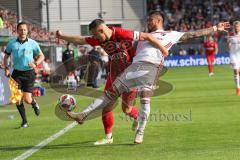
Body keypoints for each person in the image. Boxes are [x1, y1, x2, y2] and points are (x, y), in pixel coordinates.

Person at [66, 11, 229, 144]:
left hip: (152, 67)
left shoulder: (171, 34)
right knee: (109, 95)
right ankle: (83, 115)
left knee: (145, 100)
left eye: (150, 20)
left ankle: (140, 132)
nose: (148, 22)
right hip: (134, 67)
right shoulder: (143, 36)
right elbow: (124, 44)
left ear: (158, 20)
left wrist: (215, 28)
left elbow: (194, 34)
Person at [56, 18, 166, 145]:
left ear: (101, 30)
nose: (95, 37)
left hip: (131, 76)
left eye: (96, 34)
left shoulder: (121, 33)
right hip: (113, 75)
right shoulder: (98, 38)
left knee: (127, 110)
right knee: (106, 107)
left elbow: (146, 36)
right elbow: (80, 39)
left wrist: (162, 49)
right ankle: (108, 137)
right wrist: (62, 35)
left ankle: (136, 117)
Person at [3, 22, 45, 128]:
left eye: (24, 29)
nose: (23, 31)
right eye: (20, 29)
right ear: (17, 31)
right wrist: (7, 68)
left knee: (27, 99)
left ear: (27, 31)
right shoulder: (11, 43)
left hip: (29, 73)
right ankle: (24, 121)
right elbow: (6, 57)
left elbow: (41, 56)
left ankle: (33, 103)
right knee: (17, 99)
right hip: (16, 73)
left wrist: (35, 63)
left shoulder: (33, 43)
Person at [227, 21, 240, 96]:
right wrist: (228, 44)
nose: (236, 28)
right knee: (236, 71)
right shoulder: (231, 35)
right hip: (233, 55)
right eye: (235, 26)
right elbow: (228, 46)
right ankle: (238, 88)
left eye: (238, 26)